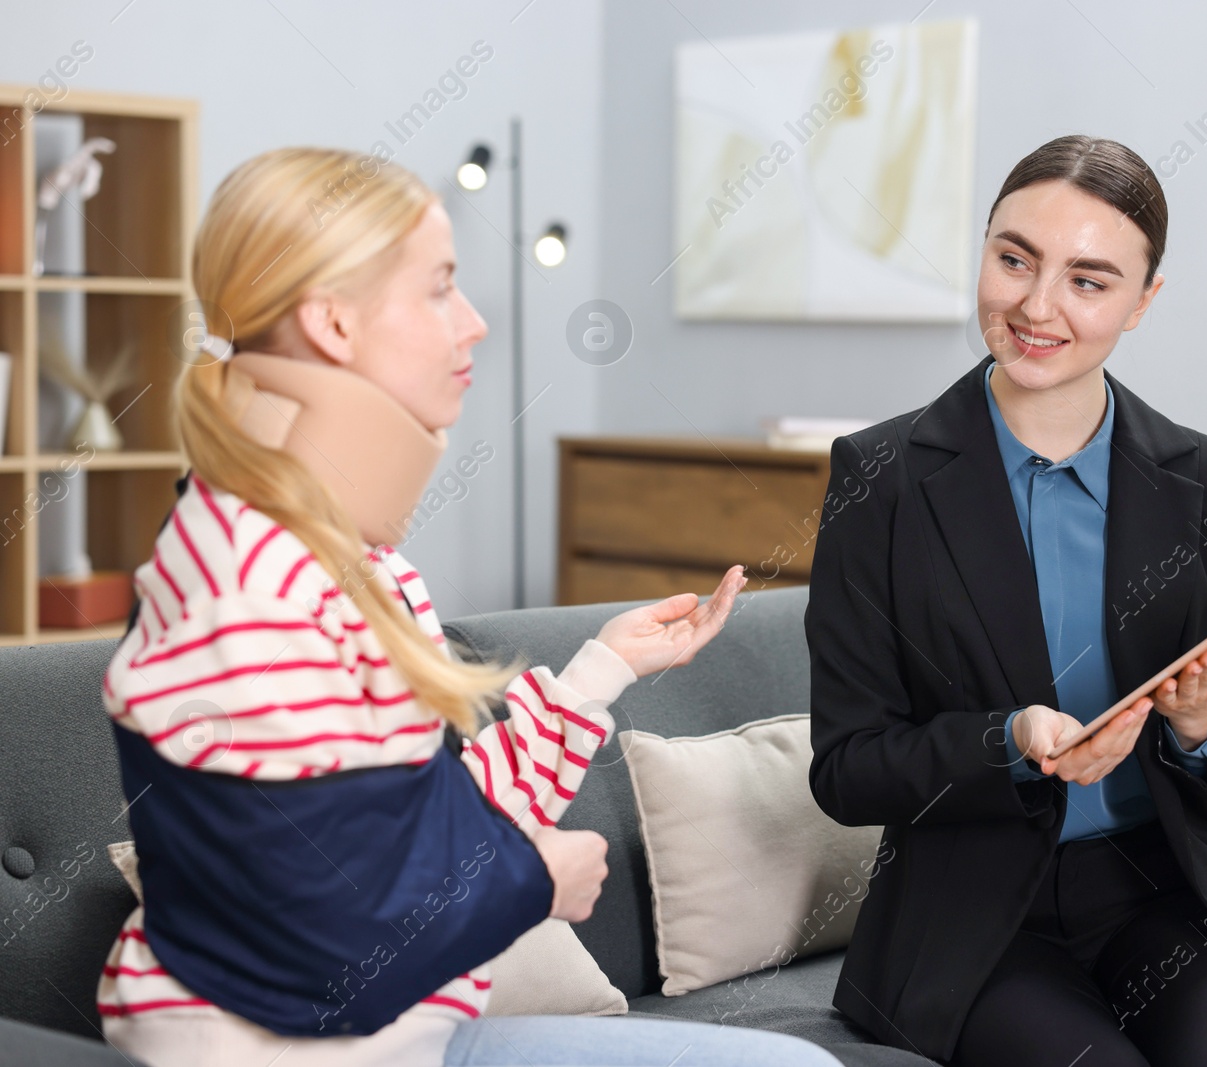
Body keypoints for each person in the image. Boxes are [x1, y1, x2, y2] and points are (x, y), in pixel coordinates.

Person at [98, 147, 842, 1067]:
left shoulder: (352, 560)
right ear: (332, 322)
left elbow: (430, 821)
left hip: (406, 1036)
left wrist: (602, 667)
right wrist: (530, 880)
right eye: (441, 288)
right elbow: (331, 952)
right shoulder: (242, 589)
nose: (477, 322)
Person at [805, 135, 1207, 1067]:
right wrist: (1010, 739)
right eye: (1014, 260)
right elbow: (846, 769)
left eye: (1089, 281)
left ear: (1143, 301)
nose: (1035, 307)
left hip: (1170, 894)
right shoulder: (878, 479)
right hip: (973, 922)